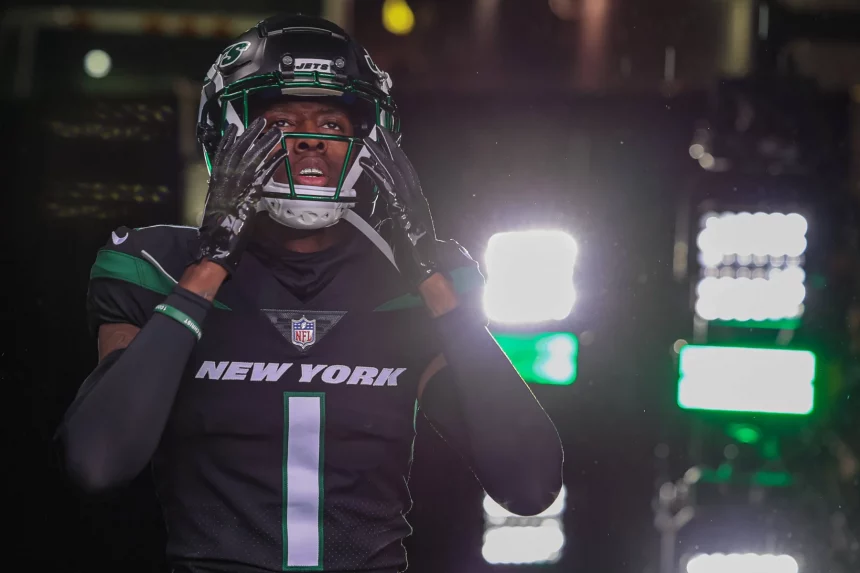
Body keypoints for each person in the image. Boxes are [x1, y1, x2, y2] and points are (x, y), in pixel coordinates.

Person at [57, 14, 563, 573]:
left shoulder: (413, 284)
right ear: (226, 135)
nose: (311, 144)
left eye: (332, 122)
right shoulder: (153, 267)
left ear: (369, 142)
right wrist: (209, 268)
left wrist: (430, 280)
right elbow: (97, 461)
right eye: (278, 123)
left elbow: (529, 482)